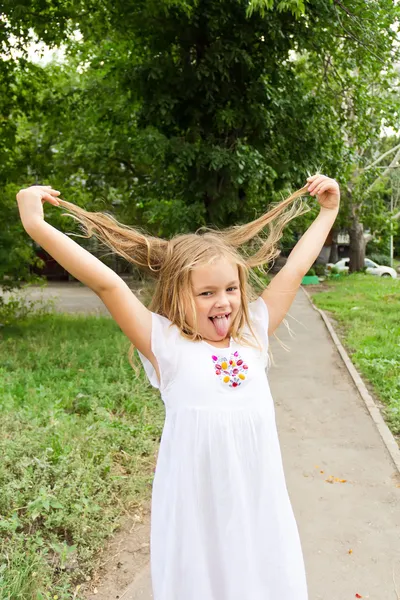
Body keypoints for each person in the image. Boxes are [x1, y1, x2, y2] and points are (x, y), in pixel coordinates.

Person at [16, 173, 340, 600]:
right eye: (206, 292)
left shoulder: (253, 333)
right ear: (176, 296)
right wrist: (37, 224)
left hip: (257, 508)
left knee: (262, 582)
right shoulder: (165, 345)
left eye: (230, 288)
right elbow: (106, 282)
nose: (222, 301)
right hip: (196, 513)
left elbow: (296, 268)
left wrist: (329, 211)